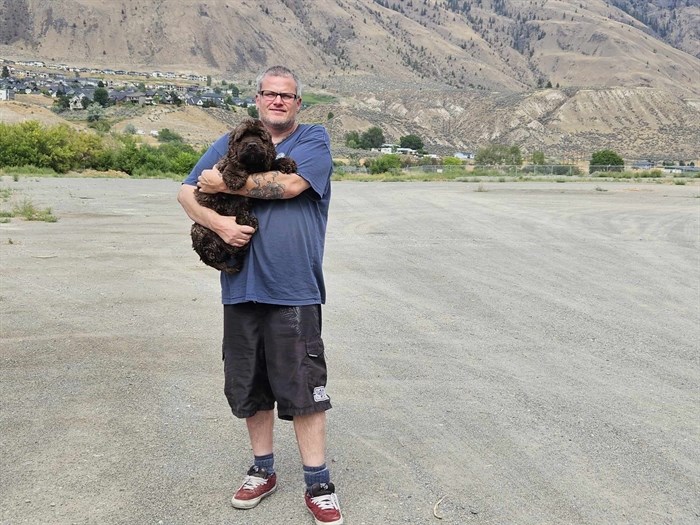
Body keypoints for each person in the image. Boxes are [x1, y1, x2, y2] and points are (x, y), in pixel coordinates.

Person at [177, 65, 343, 525]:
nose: (278, 101)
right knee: (250, 385)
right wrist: (220, 224)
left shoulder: (312, 140)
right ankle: (262, 470)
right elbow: (186, 192)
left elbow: (290, 186)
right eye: (270, 94)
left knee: (305, 386)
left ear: (298, 103)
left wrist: (225, 184)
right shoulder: (230, 140)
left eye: (286, 95)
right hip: (242, 285)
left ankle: (319, 482)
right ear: (257, 98)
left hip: (294, 287)